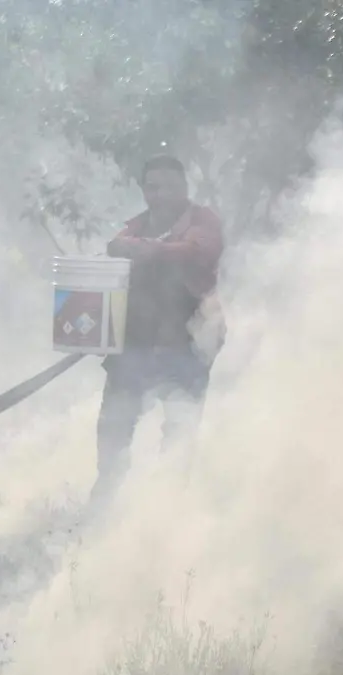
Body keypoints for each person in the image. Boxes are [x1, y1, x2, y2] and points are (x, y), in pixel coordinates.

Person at [91, 154, 227, 505]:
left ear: (183, 188)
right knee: (113, 431)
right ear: (144, 191)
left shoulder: (202, 221)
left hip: (186, 349)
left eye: (170, 186)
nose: (162, 194)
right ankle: (104, 505)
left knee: (179, 440)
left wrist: (146, 250)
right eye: (153, 187)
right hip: (134, 348)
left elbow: (197, 249)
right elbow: (115, 256)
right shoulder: (135, 227)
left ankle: (167, 513)